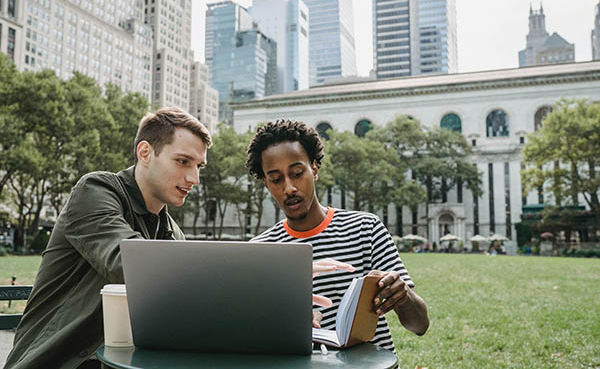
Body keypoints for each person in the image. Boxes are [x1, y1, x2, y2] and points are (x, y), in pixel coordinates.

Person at [5, 107, 212, 369]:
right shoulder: (95, 190)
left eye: (199, 166)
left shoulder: (171, 231)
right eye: (183, 161)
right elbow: (127, 264)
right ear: (145, 153)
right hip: (55, 360)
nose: (194, 178)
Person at [246, 119, 429, 352]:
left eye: (297, 173)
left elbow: (419, 325)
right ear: (266, 183)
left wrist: (402, 297)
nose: (289, 187)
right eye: (276, 179)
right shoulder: (260, 249)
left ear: (314, 169)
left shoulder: (366, 228)